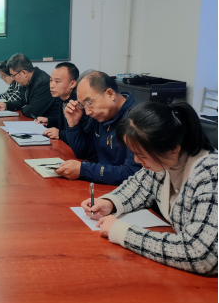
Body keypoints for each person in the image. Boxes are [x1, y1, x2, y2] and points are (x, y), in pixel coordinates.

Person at [81, 101, 217, 275]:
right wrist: (110, 203)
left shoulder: (211, 174)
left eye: (142, 155)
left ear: (174, 149)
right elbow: (139, 186)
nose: (137, 161)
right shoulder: (165, 160)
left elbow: (201, 254)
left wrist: (123, 232)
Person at [57, 70, 142, 185]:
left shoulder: (138, 119)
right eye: (82, 105)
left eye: (89, 102)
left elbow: (133, 173)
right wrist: (73, 124)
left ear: (110, 94)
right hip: (104, 185)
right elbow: (83, 152)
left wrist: (84, 170)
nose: (87, 112)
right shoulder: (101, 116)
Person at [0, 53, 60, 119]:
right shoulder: (26, 82)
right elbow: (22, 102)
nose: (13, 78)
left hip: (50, 124)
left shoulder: (43, 83)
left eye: (13, 75)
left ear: (24, 73)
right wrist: (6, 105)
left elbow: (33, 111)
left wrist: (24, 108)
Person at [35, 62, 86, 144]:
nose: (51, 85)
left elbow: (83, 136)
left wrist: (60, 134)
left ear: (72, 84)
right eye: (51, 80)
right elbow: (64, 122)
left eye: (57, 81)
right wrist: (49, 121)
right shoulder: (62, 98)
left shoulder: (78, 104)